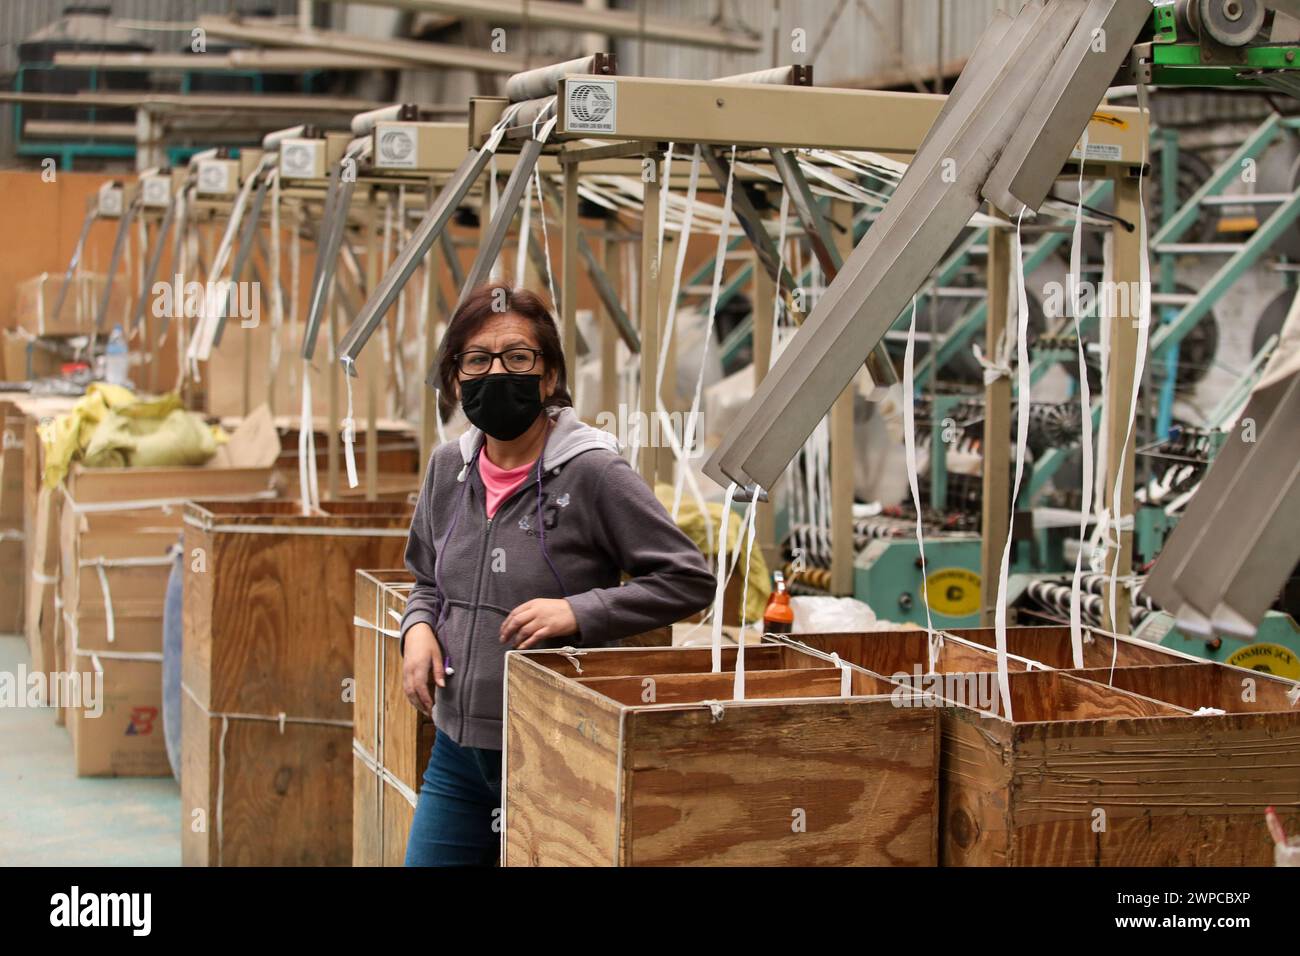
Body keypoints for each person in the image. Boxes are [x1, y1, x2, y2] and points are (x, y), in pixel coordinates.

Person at [399, 283, 716, 866]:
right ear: (454, 379)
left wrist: (579, 610)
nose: (496, 372)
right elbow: (425, 579)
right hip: (457, 754)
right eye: (477, 360)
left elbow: (688, 578)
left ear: (548, 379)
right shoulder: (449, 469)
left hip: (559, 747)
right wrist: (417, 628)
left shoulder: (593, 472)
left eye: (518, 358)